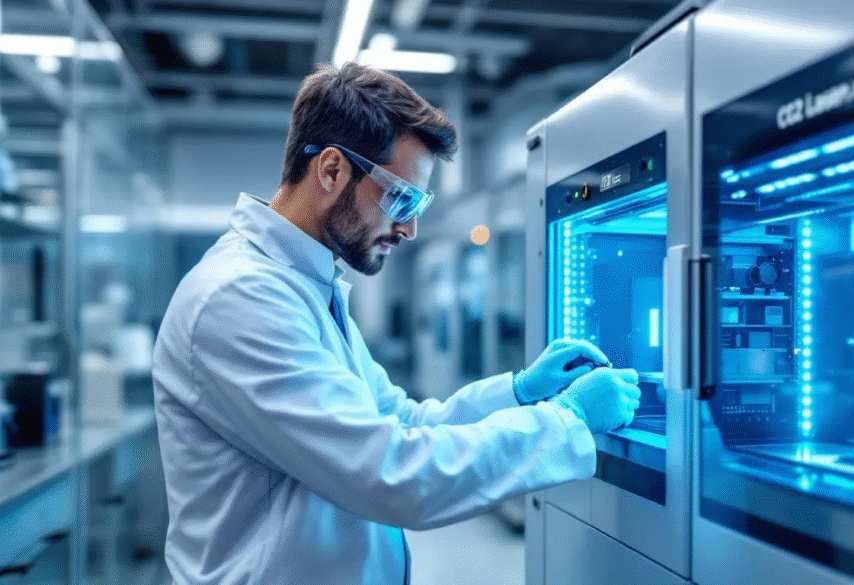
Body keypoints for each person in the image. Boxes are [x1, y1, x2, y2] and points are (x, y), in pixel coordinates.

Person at [152, 62, 642, 585]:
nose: (408, 229)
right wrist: (568, 419)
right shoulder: (242, 298)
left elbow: (401, 423)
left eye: (418, 203)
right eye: (400, 198)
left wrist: (520, 392)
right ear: (332, 171)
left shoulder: (304, 287)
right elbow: (389, 474)